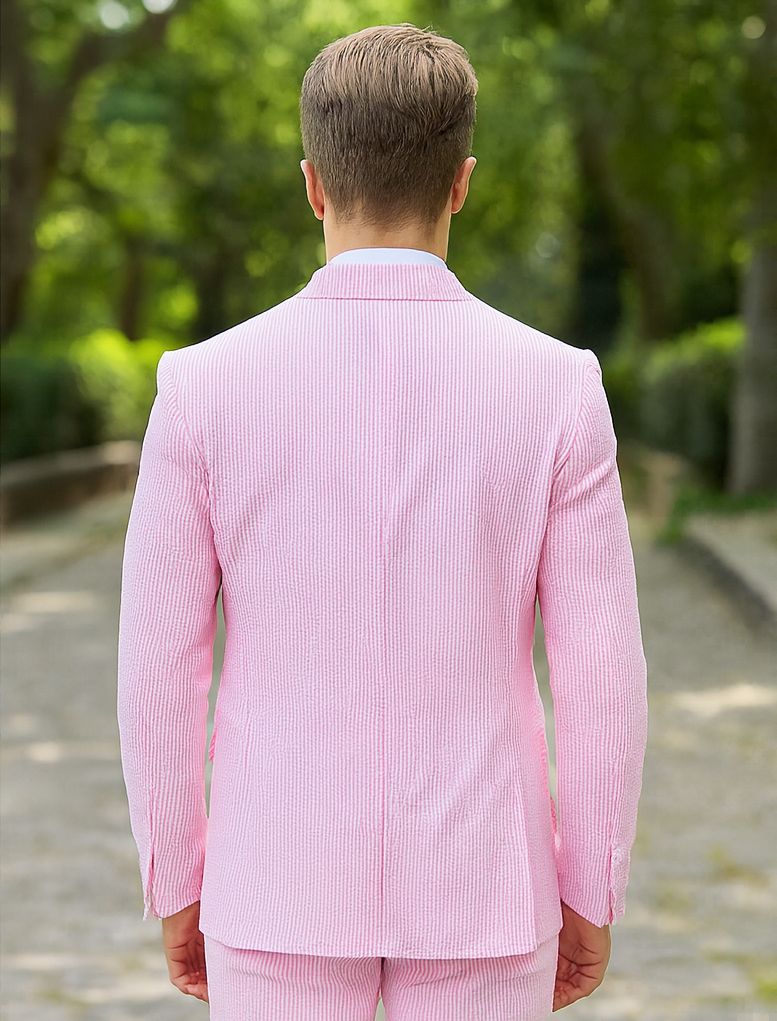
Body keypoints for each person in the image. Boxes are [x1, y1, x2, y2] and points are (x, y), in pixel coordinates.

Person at [117, 22, 648, 1021]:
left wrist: (177, 876)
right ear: (462, 181)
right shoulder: (557, 388)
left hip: (273, 884)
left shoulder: (201, 388)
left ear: (313, 183)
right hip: (488, 893)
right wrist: (591, 886)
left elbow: (157, 666)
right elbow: (600, 673)